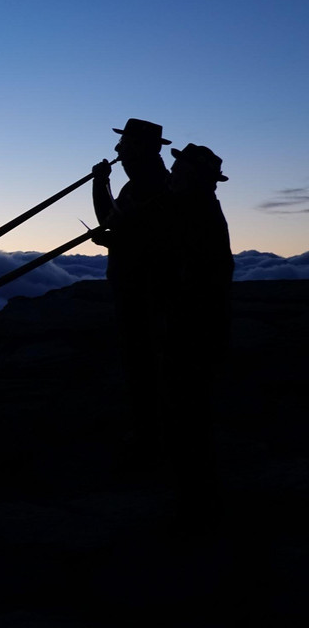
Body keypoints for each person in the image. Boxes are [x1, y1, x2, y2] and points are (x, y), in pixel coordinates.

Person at [91, 118, 172, 466]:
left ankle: (151, 440)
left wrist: (115, 238)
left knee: (145, 362)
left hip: (145, 289)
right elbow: (113, 219)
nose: (117, 151)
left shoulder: (153, 186)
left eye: (123, 145)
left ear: (140, 147)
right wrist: (100, 184)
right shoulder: (139, 184)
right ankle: (149, 434)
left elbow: (146, 238)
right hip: (134, 283)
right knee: (140, 361)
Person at [164, 143, 233, 523]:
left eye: (178, 171)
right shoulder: (202, 206)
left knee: (189, 411)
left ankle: (197, 508)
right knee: (193, 410)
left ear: (190, 176)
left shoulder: (191, 209)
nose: (171, 176)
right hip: (204, 320)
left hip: (193, 323)